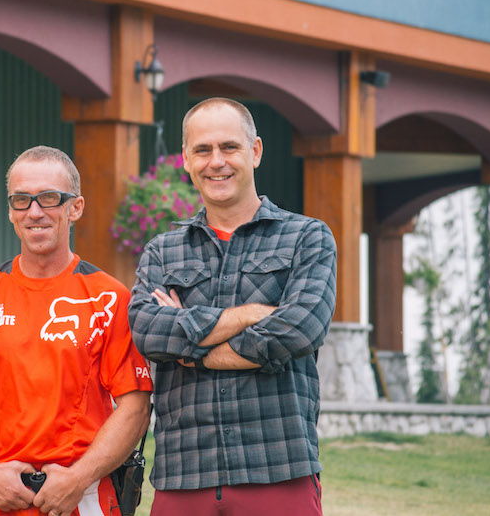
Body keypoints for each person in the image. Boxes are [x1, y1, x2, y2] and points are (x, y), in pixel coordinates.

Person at [128, 98, 336, 516]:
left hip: (278, 472)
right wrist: (250, 314)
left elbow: (299, 329)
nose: (216, 162)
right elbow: (148, 331)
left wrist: (193, 352)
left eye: (229, 147)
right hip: (184, 476)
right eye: (202, 150)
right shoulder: (161, 252)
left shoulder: (306, 238)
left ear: (255, 151)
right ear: (186, 158)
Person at [0, 146, 153, 516]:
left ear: (76, 207)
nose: (34, 212)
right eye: (21, 200)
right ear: (10, 210)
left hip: (83, 498)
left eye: (50, 198)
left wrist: (78, 478)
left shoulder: (109, 297)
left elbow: (135, 404)